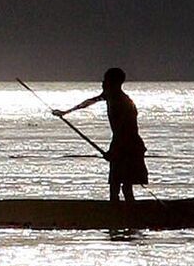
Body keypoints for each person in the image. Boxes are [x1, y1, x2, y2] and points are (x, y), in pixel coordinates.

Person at [53, 66, 148, 203]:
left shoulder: (123, 102)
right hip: (120, 144)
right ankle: (119, 211)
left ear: (113, 83)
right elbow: (89, 102)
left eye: (105, 80)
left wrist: (114, 151)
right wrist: (65, 112)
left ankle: (124, 214)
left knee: (123, 185)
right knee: (116, 185)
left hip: (129, 146)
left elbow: (125, 130)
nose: (102, 83)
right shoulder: (110, 96)